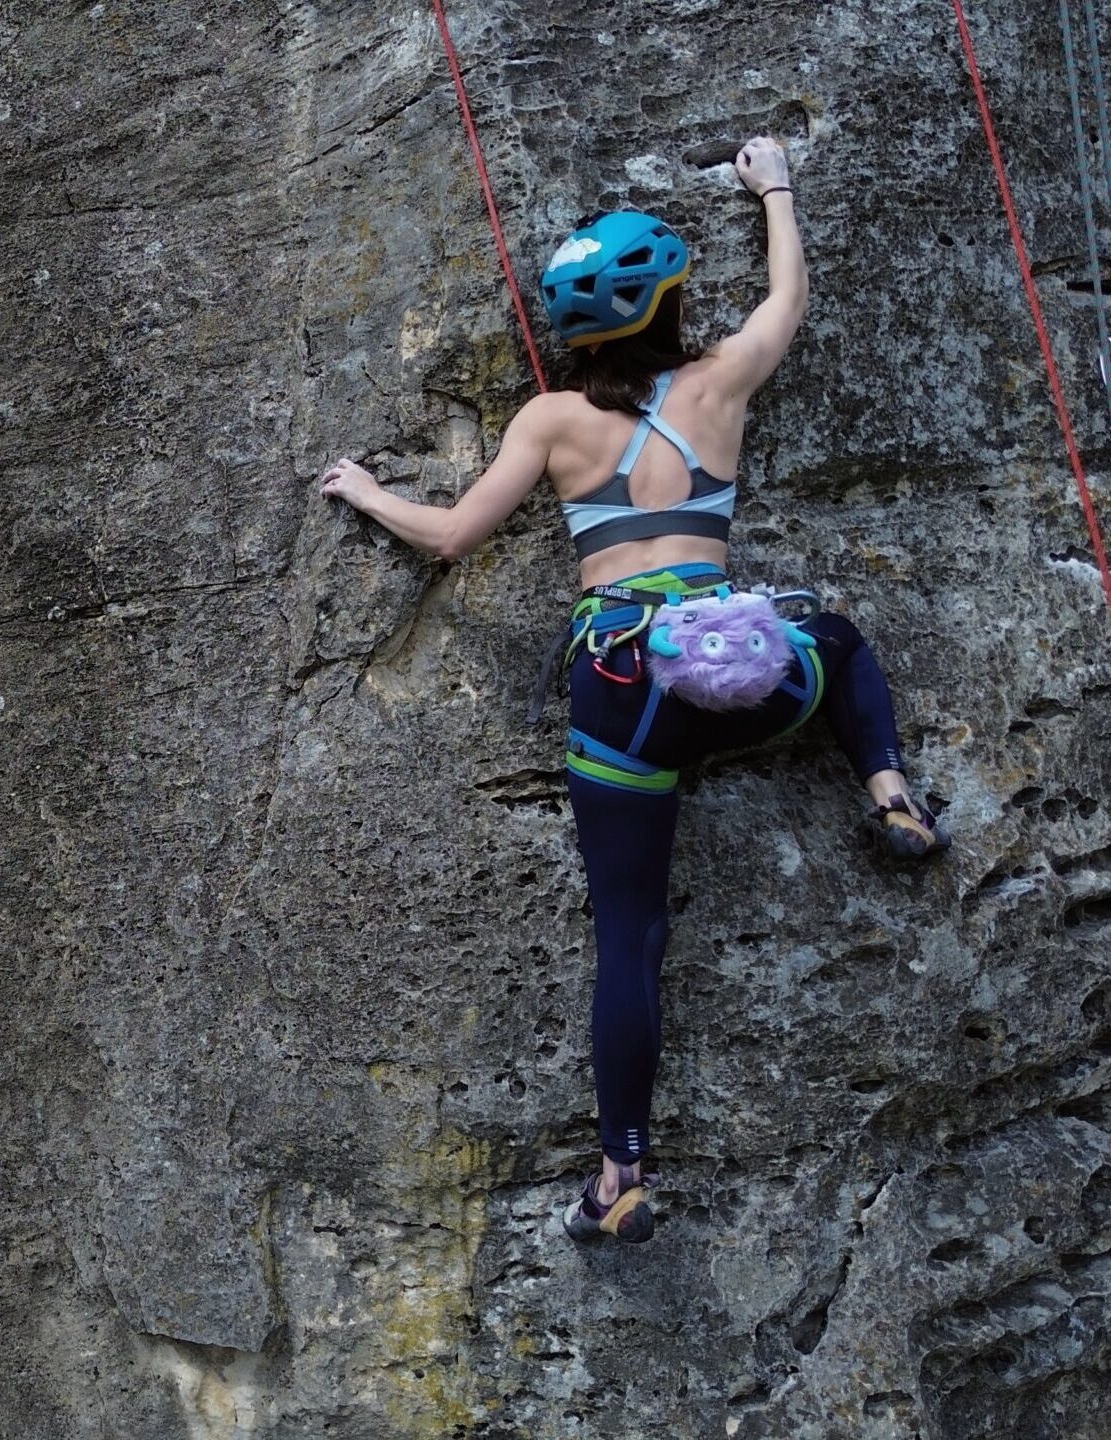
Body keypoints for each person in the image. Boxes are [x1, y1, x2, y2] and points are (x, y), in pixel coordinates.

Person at [316, 138, 949, 1245]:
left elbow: (455, 536)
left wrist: (370, 494)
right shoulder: (718, 384)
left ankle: (623, 1174)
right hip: (737, 669)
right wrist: (775, 189)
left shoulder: (554, 421)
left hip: (623, 690)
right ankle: (891, 789)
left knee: (631, 935)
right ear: (667, 305)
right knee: (839, 642)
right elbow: (786, 297)